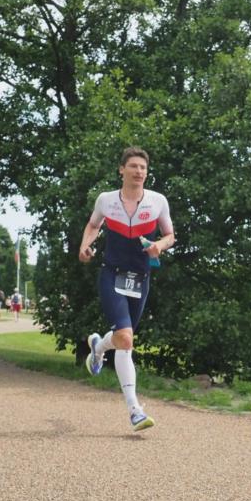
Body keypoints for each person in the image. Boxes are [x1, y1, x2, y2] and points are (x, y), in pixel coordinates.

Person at [79, 146, 175, 432]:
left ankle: (99, 345)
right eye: (133, 166)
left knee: (123, 339)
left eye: (143, 168)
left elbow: (170, 234)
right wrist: (85, 245)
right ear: (121, 170)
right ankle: (135, 410)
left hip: (141, 277)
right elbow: (93, 225)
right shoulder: (106, 200)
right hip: (112, 274)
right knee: (126, 337)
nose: (138, 172)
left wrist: (160, 245)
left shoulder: (158, 201)